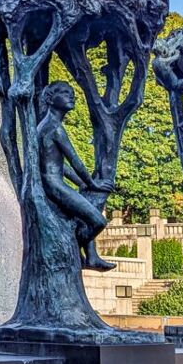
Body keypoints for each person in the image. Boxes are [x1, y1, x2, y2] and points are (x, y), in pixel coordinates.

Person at [37, 82, 115, 272]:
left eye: (71, 92)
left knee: (84, 212)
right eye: (64, 93)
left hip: (54, 183)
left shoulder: (44, 126)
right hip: (54, 186)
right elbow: (75, 162)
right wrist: (93, 184)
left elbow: (58, 164)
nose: (71, 96)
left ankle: (91, 257)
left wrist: (81, 183)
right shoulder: (54, 127)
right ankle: (72, 247)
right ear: (50, 99)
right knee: (98, 221)